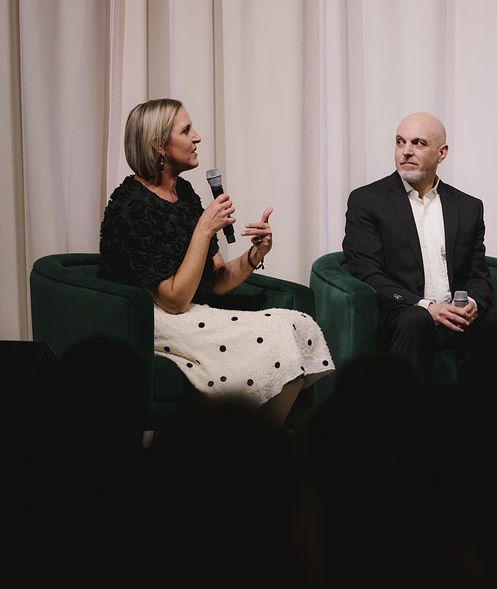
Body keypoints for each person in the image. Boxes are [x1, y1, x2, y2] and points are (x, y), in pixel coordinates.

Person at [99, 98, 334, 428]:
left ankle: (262, 451)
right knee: (276, 334)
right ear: (158, 145)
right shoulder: (130, 205)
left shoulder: (186, 193)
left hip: (191, 311)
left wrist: (256, 255)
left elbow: (219, 279)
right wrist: (204, 228)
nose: (198, 137)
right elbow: (174, 299)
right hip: (153, 319)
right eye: (186, 130)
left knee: (300, 324)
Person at [341, 111, 497, 449]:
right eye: (400, 142)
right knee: (415, 320)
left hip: (456, 321)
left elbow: (478, 274)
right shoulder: (368, 200)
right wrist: (427, 307)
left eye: (418, 143)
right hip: (403, 316)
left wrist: (472, 305)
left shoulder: (466, 206)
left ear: (442, 152)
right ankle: (408, 450)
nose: (406, 151)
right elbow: (365, 272)